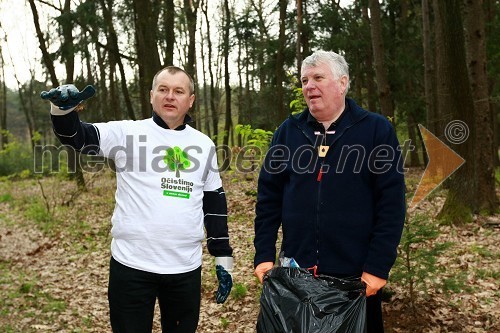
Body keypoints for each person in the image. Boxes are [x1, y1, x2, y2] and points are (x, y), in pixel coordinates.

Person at [41, 66, 233, 333]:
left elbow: (214, 203)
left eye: (179, 91)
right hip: (131, 267)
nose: (170, 96)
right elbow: (77, 137)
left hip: (185, 269)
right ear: (151, 95)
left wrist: (223, 257)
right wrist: (62, 111)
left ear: (190, 101)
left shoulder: (204, 145)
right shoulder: (127, 134)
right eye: (163, 89)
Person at [253, 50, 406, 332]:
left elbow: (391, 205)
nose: (309, 86)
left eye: (318, 78)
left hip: (356, 281)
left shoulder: (375, 130)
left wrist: (376, 268)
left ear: (342, 82)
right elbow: (268, 200)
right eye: (304, 80)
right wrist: (263, 254)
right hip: (296, 278)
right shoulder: (288, 132)